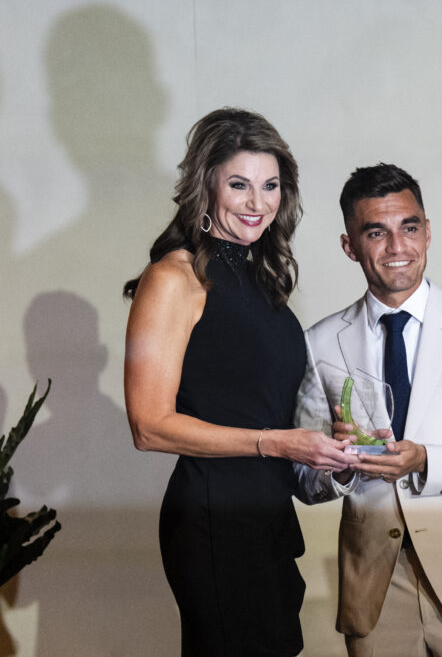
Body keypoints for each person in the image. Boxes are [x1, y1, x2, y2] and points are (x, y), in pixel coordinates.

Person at [123, 107, 357, 656]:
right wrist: (275, 442)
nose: (258, 203)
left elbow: (261, 400)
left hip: (268, 516)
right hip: (212, 519)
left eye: (271, 185)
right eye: (239, 185)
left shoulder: (261, 277)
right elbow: (148, 426)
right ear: (206, 185)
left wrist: (329, 435)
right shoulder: (174, 277)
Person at [294, 163, 442, 656]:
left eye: (409, 228)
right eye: (376, 233)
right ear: (350, 246)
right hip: (375, 588)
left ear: (427, 233)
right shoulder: (320, 342)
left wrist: (426, 459)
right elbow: (304, 479)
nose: (397, 247)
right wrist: (338, 465)